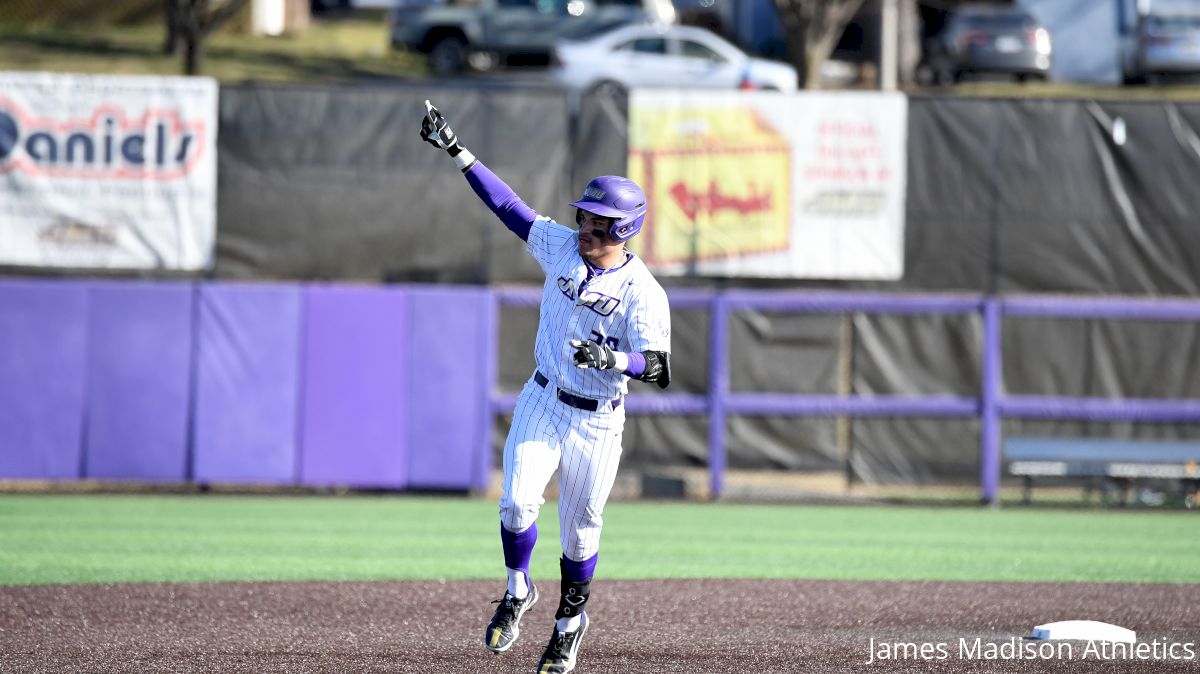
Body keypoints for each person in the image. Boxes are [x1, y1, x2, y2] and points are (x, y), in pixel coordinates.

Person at [421, 100, 671, 673]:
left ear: (623, 228)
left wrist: (613, 358)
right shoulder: (561, 244)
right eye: (583, 216)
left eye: (596, 220)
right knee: (514, 503)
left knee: (580, 537)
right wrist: (457, 150)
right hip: (543, 398)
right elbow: (509, 207)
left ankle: (568, 626)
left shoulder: (643, 292)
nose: (585, 225)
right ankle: (517, 590)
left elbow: (658, 367)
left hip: (599, 419)